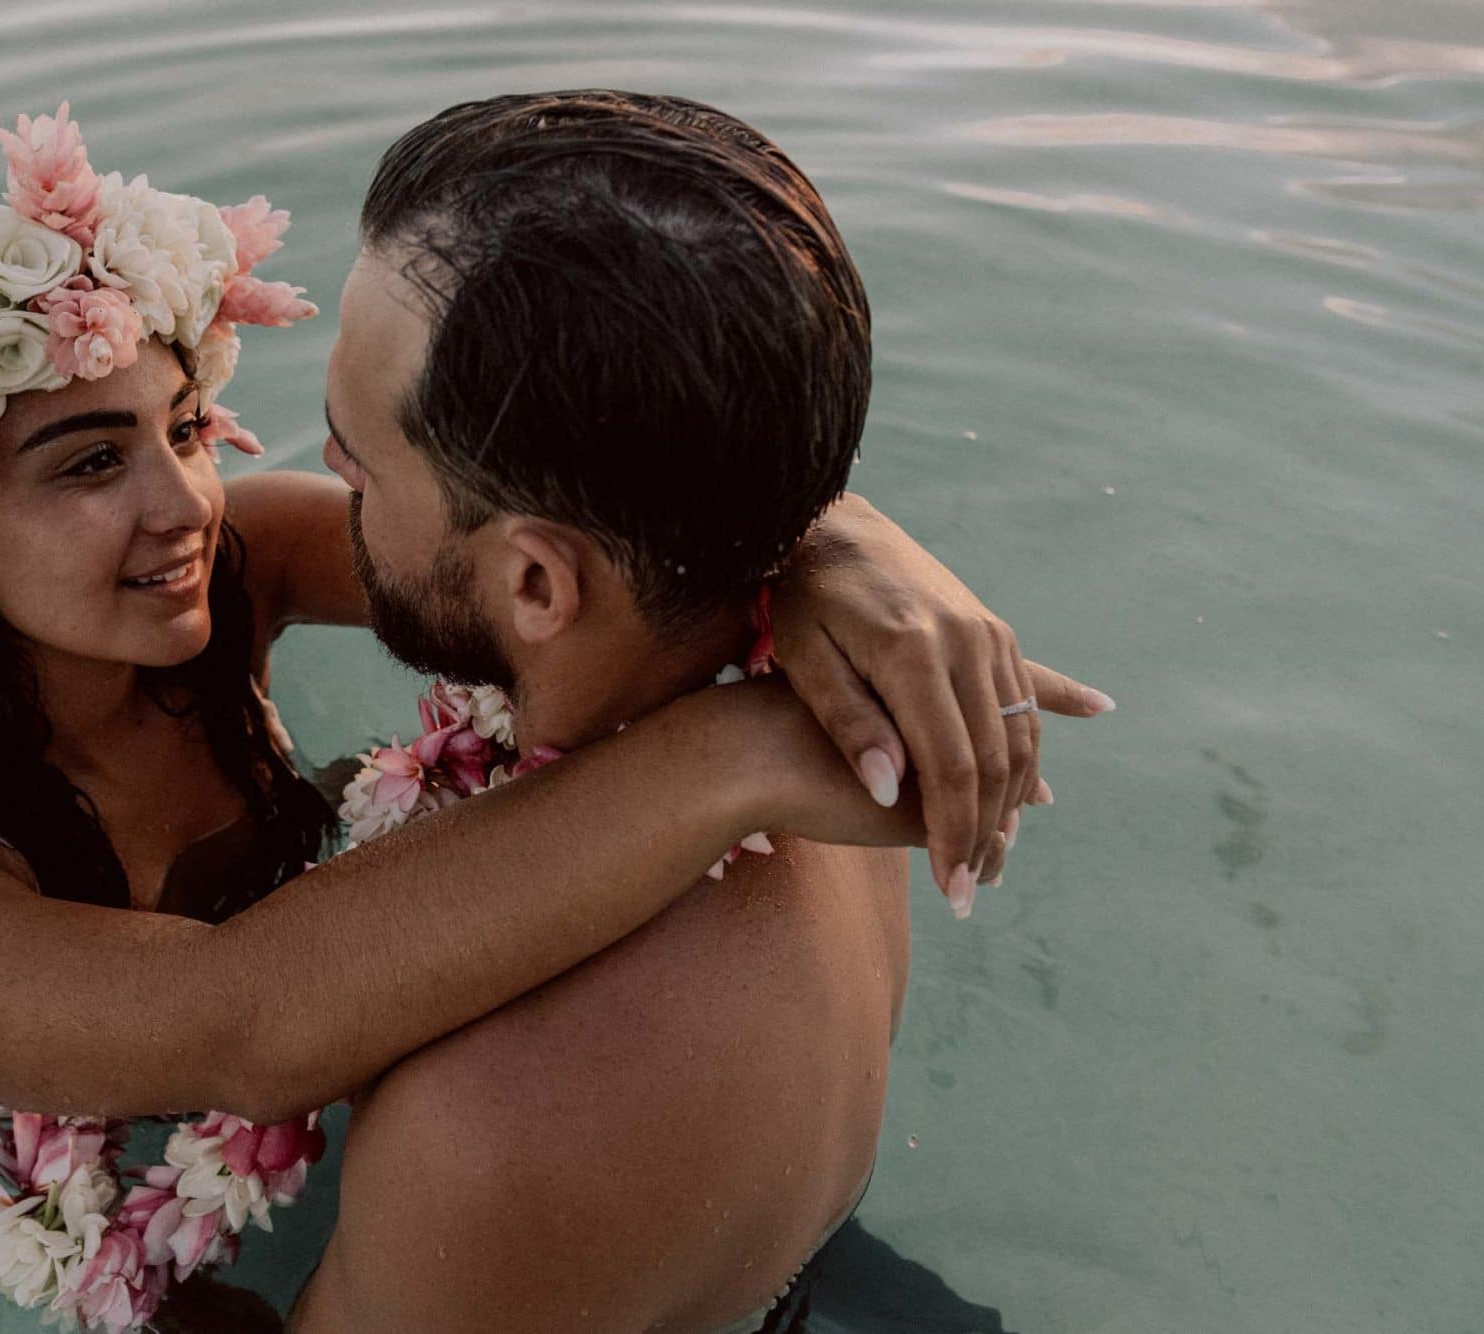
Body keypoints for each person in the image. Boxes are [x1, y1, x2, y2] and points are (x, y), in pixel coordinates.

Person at [0, 102, 1100, 1322]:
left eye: (187, 427)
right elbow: (239, 1023)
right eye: (88, 463)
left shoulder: (219, 585)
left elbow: (592, 523)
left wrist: (818, 543)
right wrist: (732, 745)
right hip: (104, 1208)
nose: (186, 503)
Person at [286, 90, 1042, 1333]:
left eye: (355, 461)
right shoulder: (820, 702)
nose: (328, 478)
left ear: (534, 581)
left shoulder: (497, 1126)